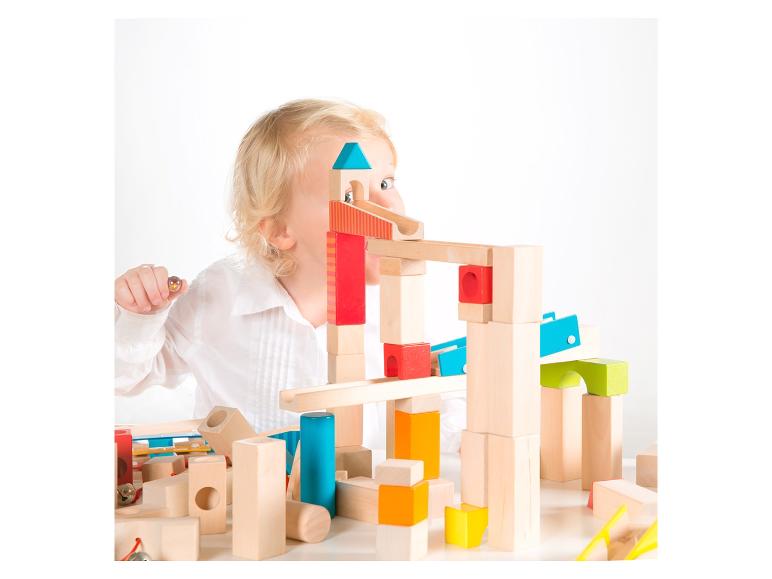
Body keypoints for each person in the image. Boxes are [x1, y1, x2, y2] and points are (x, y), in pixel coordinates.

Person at [115, 98, 464, 450]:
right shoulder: (221, 295)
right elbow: (126, 379)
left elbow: (437, 406)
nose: (387, 207)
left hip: (358, 496)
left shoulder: (398, 306)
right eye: (349, 194)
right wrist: (139, 316)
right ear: (281, 230)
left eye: (386, 184)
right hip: (243, 494)